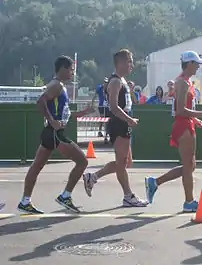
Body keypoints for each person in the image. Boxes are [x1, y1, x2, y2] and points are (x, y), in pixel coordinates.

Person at [17, 55, 94, 214]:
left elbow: (65, 114)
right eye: (71, 69)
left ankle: (25, 201)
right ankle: (65, 196)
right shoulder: (56, 85)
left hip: (50, 133)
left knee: (36, 167)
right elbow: (40, 102)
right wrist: (52, 121)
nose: (72, 73)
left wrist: (84, 112)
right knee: (82, 162)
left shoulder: (60, 86)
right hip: (54, 133)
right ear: (63, 69)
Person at [145, 51, 202, 212]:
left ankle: (155, 183)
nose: (198, 66)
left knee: (190, 166)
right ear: (189, 64)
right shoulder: (182, 82)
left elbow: (183, 110)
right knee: (188, 166)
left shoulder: (186, 82)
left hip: (186, 124)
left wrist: (194, 119)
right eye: (196, 63)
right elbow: (180, 110)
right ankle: (189, 202)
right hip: (183, 126)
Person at [83, 49, 148, 207]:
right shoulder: (115, 81)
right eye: (129, 61)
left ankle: (93, 177)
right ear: (120, 63)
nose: (131, 65)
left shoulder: (122, 80)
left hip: (124, 123)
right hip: (119, 124)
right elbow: (113, 106)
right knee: (122, 163)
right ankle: (128, 195)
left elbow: (125, 102)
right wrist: (129, 119)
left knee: (125, 162)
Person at [92, 78, 109, 142]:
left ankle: (106, 135)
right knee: (102, 119)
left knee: (107, 120)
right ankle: (100, 131)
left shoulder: (109, 88)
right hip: (101, 106)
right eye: (105, 82)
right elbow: (95, 95)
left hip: (107, 106)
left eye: (107, 83)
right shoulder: (99, 88)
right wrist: (92, 103)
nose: (105, 84)